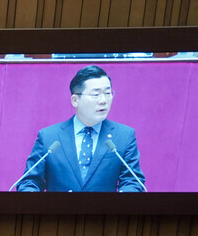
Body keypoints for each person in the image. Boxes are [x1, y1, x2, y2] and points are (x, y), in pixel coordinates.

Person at [15, 65, 144, 193]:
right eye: (96, 94)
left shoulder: (124, 136)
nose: (104, 100)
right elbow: (29, 181)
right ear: (75, 100)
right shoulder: (49, 137)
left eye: (108, 93)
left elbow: (132, 181)